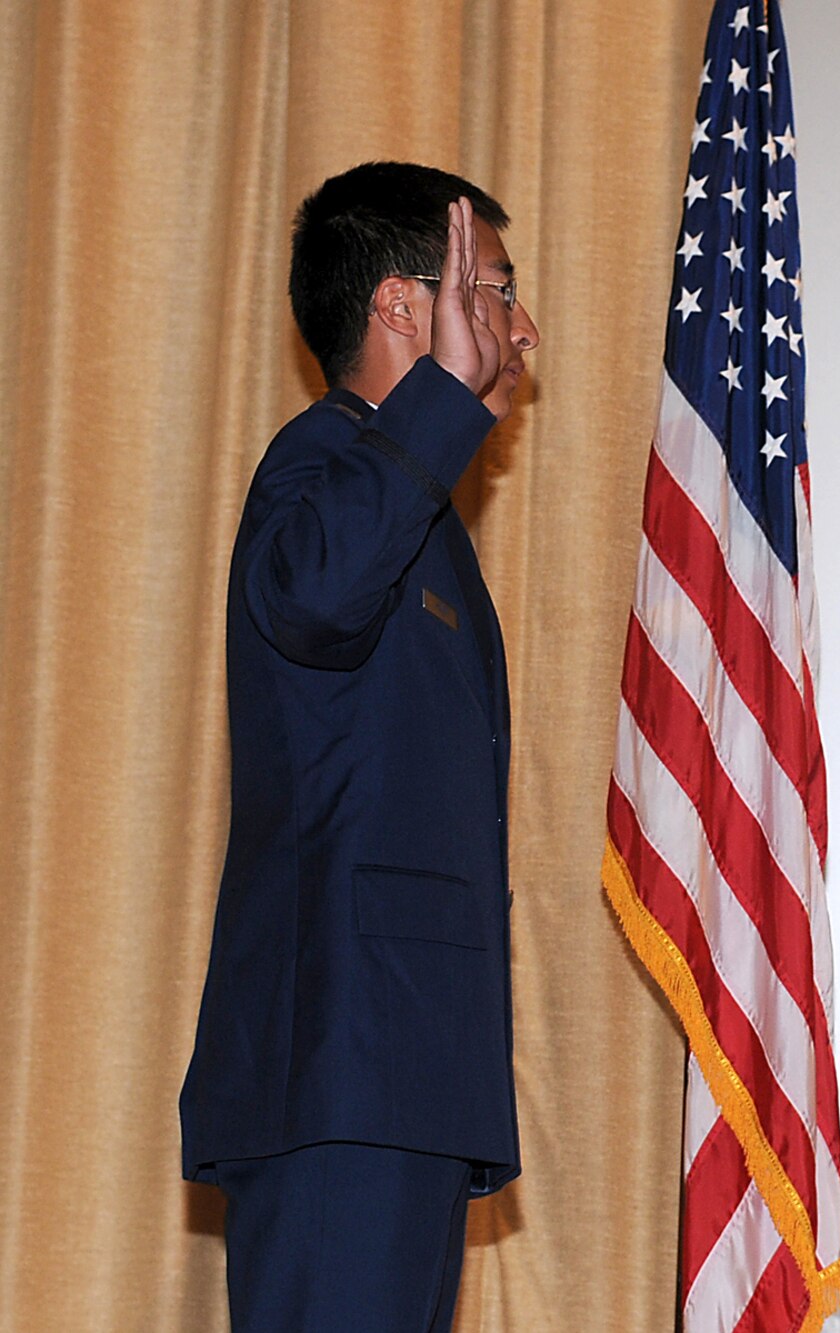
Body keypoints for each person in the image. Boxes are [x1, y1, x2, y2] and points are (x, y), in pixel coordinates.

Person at [180, 162, 539, 1331]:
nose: (519, 325)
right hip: (343, 1073)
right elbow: (316, 597)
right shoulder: (325, 459)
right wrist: (438, 397)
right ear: (403, 307)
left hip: (397, 1080)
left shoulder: (409, 500)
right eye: (493, 287)